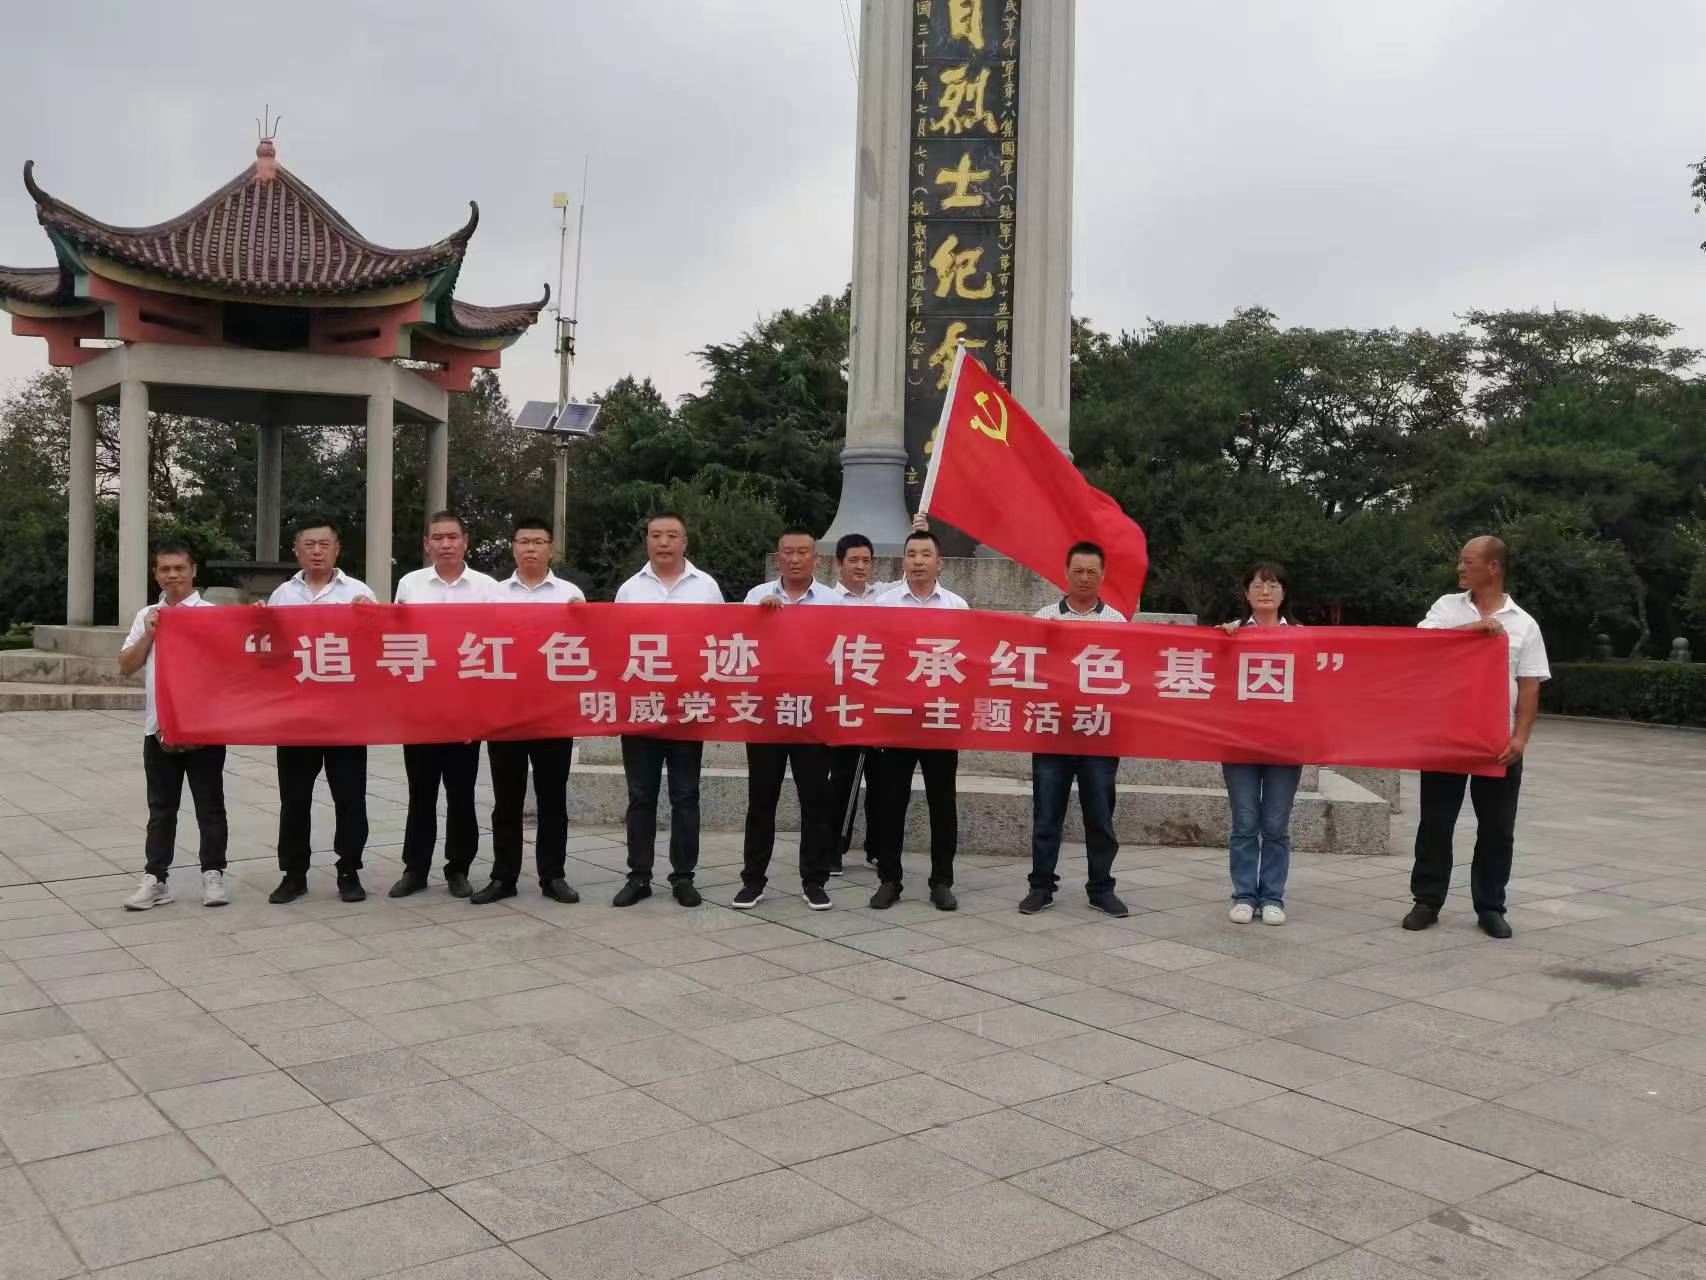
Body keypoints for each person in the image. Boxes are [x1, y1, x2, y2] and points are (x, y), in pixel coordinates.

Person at [1405, 536, 1549, 939]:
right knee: (1436, 822)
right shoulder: (1445, 608)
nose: (1460, 568)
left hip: (1497, 741)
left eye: (1468, 562)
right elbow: (1421, 648)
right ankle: (1427, 900)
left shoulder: (1524, 623)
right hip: (1446, 734)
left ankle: (1490, 906)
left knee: (1497, 827)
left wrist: (1519, 739)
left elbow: (1530, 686)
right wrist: (1474, 629)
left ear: (1493, 567)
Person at [470, 516, 588, 907]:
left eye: (538, 541)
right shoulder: (493, 595)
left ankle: (553, 876)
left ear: (551, 549)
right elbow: (478, 649)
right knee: (507, 801)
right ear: (513, 548)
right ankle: (503, 876)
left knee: (552, 799)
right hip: (506, 713)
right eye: (524, 541)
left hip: (553, 713)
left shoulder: (570, 595)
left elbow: (587, 648)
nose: (531, 548)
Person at [611, 512, 725, 907]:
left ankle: (683, 876)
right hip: (641, 709)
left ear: (685, 542)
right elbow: (614, 645)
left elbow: (722, 641)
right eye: (656, 535)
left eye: (672, 535)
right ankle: (639, 876)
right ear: (646, 541)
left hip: (687, 708)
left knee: (685, 796)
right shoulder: (630, 590)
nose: (663, 542)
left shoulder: (706, 587)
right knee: (641, 796)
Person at [265, 517, 376, 905]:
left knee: (350, 797)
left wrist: (370, 619)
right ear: (296, 551)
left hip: (345, 714)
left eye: (324, 545)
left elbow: (378, 649)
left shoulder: (359, 593)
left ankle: (349, 871)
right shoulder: (282, 595)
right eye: (309, 545)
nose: (316, 551)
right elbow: (269, 651)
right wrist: (256, 620)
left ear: (337, 550)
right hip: (296, 716)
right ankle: (294, 874)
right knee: (294, 799)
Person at [389, 510, 499, 899]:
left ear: (465, 542)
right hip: (421, 709)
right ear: (427, 544)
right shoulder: (410, 584)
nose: (446, 544)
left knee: (461, 794)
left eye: (453, 537)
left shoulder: (487, 588)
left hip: (466, 708)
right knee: (421, 793)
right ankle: (415, 869)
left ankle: (458, 868)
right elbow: (396, 639)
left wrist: (481, 711)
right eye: (438, 538)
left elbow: (498, 647)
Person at [1021, 541, 1130, 918]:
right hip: (1052, 730)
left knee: (1100, 816)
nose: (1085, 578)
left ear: (1103, 576)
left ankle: (1101, 888)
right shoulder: (1044, 617)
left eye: (1092, 572)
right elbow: (1029, 670)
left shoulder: (1117, 622)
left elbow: (1128, 676)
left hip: (1099, 734)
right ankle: (1041, 886)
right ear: (1065, 573)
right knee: (1046, 815)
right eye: (1078, 571)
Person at [737, 528, 840, 911]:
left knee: (815, 802)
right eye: (788, 552)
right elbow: (738, 646)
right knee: (761, 801)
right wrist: (758, 619)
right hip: (766, 713)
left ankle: (814, 881)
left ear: (816, 559)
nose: (795, 559)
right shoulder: (756, 596)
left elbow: (842, 652)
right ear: (778, 558)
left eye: (802, 552)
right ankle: (753, 881)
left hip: (813, 714)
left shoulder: (833, 602)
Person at [120, 542, 227, 910]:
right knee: (161, 809)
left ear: (193, 571)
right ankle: (156, 878)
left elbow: (233, 664)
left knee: (210, 806)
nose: (172, 575)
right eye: (165, 569)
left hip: (204, 728)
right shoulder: (147, 615)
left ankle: (213, 874)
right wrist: (150, 633)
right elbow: (126, 665)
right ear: (156, 574)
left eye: (179, 568)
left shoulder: (213, 615)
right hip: (159, 728)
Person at [867, 527, 967, 911]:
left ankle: (941, 881)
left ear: (940, 563)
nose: (919, 561)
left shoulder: (956, 606)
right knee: (891, 802)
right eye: (912, 554)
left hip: (940, 719)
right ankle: (889, 879)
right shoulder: (885, 605)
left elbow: (966, 663)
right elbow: (873, 657)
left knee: (943, 803)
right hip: (896, 718)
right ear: (903, 562)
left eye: (926, 555)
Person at [825, 523, 917, 873]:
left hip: (880, 701)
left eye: (866, 560)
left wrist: (918, 532)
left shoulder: (883, 596)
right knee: (842, 778)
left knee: (882, 780)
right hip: (844, 701)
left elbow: (910, 580)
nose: (861, 566)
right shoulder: (827, 602)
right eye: (854, 560)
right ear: (839, 563)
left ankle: (876, 847)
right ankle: (833, 848)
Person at [1218, 562, 1302, 927]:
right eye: (1257, 585)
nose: (1265, 591)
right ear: (1246, 593)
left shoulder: (1302, 637)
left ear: (1284, 592)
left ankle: (1271, 897)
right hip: (1240, 743)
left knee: (1276, 825)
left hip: (1286, 744)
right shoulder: (1231, 634)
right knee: (1245, 822)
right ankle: (1243, 894)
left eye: (1272, 585)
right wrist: (1219, 641)